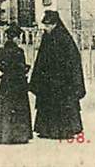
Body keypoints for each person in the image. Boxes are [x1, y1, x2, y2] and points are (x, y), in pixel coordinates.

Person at [28, 10, 86, 139]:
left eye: (49, 25)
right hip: (48, 80)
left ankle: (64, 130)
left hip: (62, 81)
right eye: (45, 26)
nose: (46, 28)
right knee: (47, 104)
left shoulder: (64, 38)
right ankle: (46, 130)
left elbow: (73, 59)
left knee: (61, 105)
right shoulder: (46, 37)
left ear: (55, 24)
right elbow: (41, 58)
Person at [0, 24, 32, 145]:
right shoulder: (19, 51)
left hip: (6, 84)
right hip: (17, 83)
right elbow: (20, 67)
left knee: (5, 109)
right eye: (19, 38)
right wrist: (26, 68)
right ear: (15, 38)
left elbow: (3, 67)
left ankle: (3, 135)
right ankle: (19, 136)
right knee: (18, 108)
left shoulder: (1, 51)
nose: (20, 40)